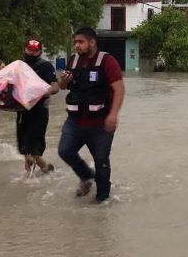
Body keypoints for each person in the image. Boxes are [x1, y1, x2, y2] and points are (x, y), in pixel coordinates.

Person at [58, 27, 125, 203]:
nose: (77, 45)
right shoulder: (73, 61)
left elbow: (119, 89)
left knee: (101, 161)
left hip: (100, 124)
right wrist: (63, 81)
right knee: (64, 151)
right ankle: (87, 176)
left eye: (80, 42)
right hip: (75, 121)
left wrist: (113, 114)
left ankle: (102, 201)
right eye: (75, 42)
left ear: (92, 42)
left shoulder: (107, 61)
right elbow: (63, 86)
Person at [17, 38, 59, 175]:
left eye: (35, 50)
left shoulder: (45, 66)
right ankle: (44, 169)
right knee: (24, 146)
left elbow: (55, 87)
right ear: (24, 49)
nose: (32, 53)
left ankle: (31, 174)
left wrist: (47, 92)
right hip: (22, 109)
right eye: (29, 49)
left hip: (39, 110)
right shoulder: (19, 66)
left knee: (33, 146)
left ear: (40, 52)